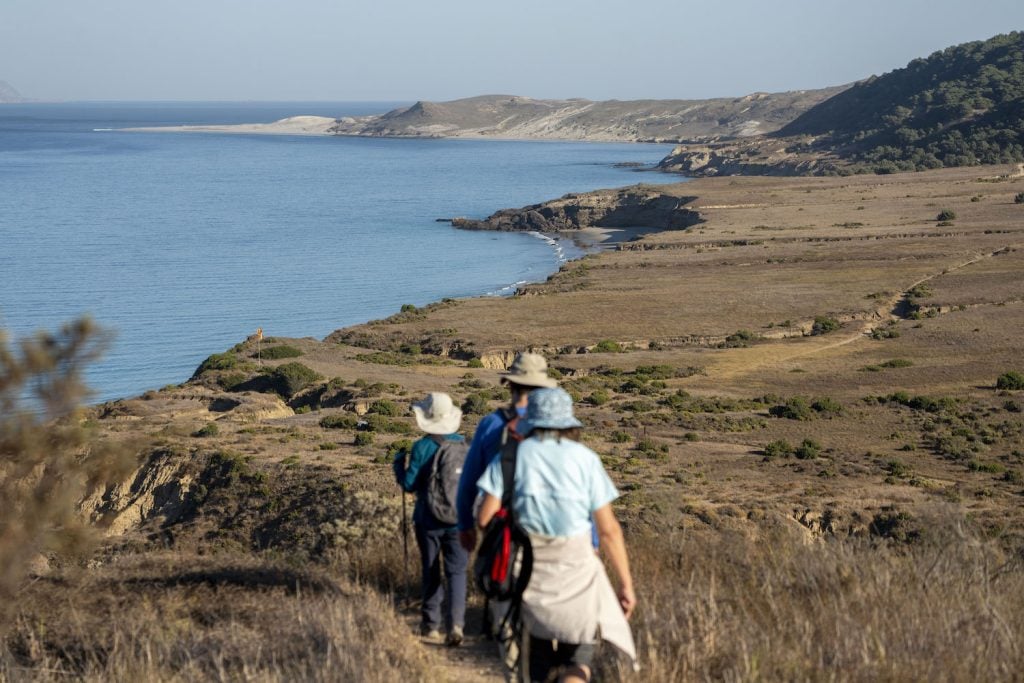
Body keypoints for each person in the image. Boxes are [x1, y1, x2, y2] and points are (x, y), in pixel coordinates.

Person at [477, 387, 637, 683]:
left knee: (535, 659)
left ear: (531, 421)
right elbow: (609, 530)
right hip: (578, 571)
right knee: (577, 657)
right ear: (567, 423)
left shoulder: (510, 457)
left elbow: (485, 517)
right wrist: (625, 585)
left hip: (527, 572)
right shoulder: (585, 459)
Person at [455, 352, 558, 552]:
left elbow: (468, 482)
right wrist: (593, 541)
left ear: (510, 385)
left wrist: (465, 526)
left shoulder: (491, 424)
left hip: (503, 527)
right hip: (553, 529)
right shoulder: (560, 427)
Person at [394, 392, 469, 646]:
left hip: (427, 519)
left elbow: (409, 484)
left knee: (430, 569)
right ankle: (457, 624)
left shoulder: (421, 447)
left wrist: (398, 466)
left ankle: (431, 625)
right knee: (457, 571)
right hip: (459, 519)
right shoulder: (462, 446)